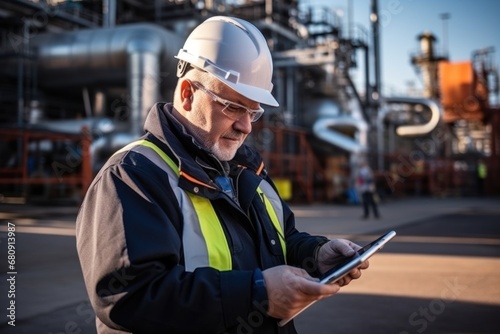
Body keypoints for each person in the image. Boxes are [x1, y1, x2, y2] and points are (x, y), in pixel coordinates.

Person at [76, 16, 369, 334]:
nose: (246, 126)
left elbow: (279, 244)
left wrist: (315, 254)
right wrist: (256, 294)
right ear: (187, 94)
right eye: (232, 106)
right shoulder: (133, 176)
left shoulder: (248, 172)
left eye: (253, 111)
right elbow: (128, 296)